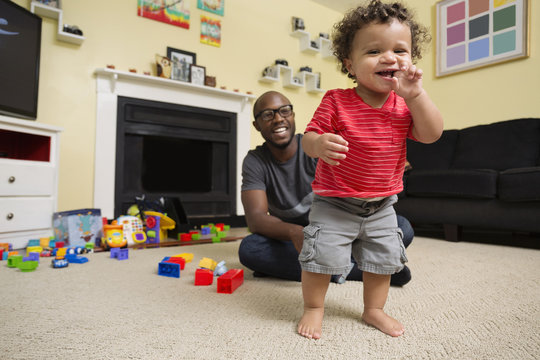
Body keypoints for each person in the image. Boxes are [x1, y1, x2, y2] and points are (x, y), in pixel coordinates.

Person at [297, 0, 443, 339]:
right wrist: (318, 145)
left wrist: (417, 95)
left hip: (382, 206)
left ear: (411, 59)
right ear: (350, 63)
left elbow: (432, 134)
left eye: (400, 50)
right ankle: (314, 308)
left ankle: (374, 309)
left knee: (382, 261)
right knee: (319, 258)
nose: (390, 58)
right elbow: (308, 137)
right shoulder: (336, 100)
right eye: (374, 50)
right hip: (334, 203)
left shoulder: (406, 105)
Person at [238, 90, 414, 287]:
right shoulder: (255, 161)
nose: (278, 119)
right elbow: (256, 219)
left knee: (402, 227)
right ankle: (361, 270)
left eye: (284, 111)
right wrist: (294, 232)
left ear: (293, 115)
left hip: (338, 228)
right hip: (298, 240)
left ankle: (329, 266)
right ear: (256, 125)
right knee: (250, 249)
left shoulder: (316, 146)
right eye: (268, 115)